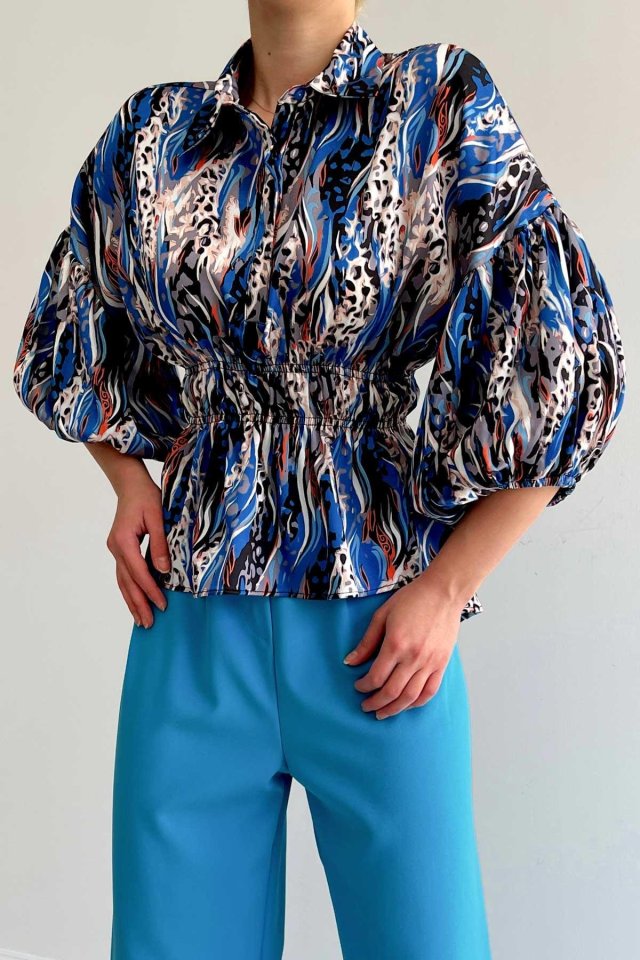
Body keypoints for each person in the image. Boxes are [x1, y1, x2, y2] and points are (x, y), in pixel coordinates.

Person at [12, 1, 626, 958]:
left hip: (379, 634)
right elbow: (75, 314)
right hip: (190, 626)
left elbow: (561, 350)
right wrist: (129, 481)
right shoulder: (154, 136)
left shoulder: (433, 106)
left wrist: (448, 589)